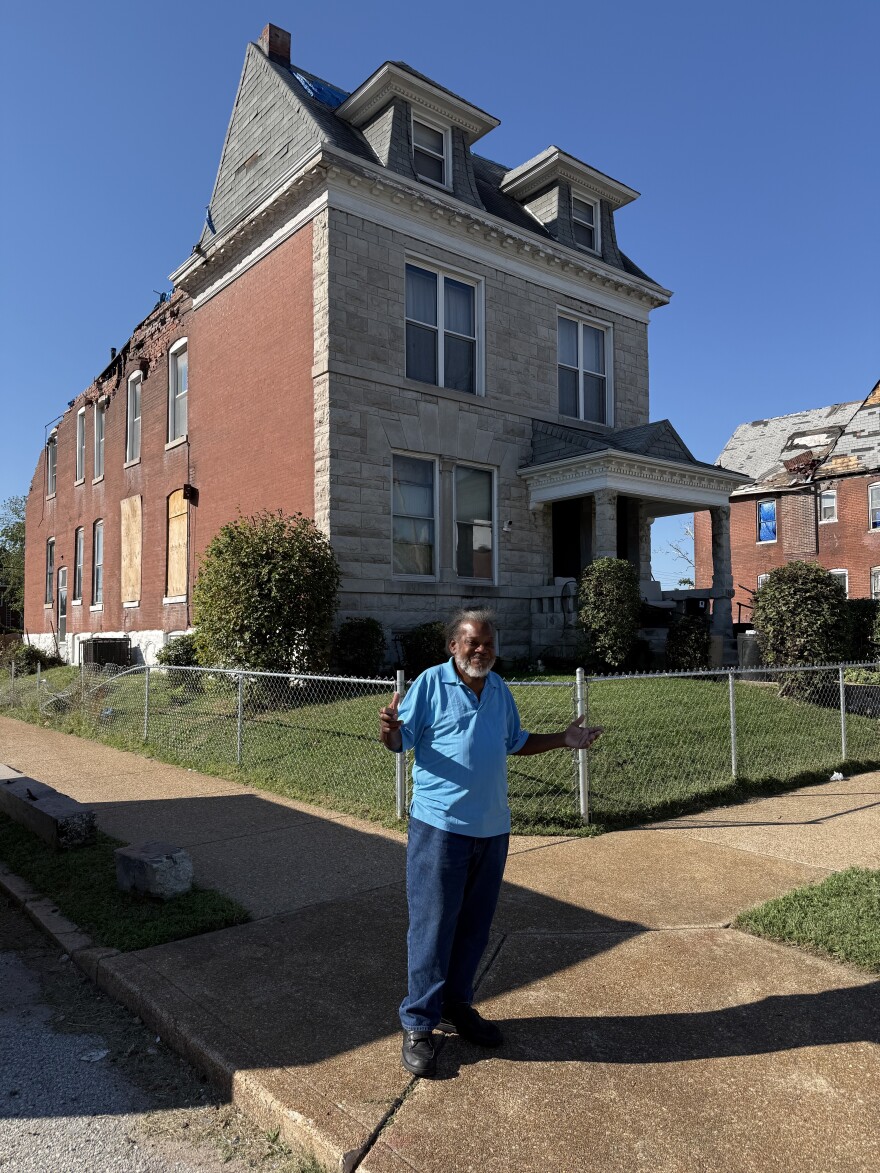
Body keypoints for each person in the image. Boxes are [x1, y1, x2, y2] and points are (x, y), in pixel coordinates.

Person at [379, 608, 602, 1078]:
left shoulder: (500, 689)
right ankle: (418, 1022)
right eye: (473, 643)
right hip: (439, 827)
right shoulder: (430, 684)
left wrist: (564, 739)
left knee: (474, 927)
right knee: (432, 926)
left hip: (492, 828)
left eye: (488, 643)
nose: (482, 650)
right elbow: (400, 742)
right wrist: (390, 728)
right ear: (453, 646)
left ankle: (457, 1005)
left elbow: (515, 742)